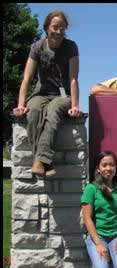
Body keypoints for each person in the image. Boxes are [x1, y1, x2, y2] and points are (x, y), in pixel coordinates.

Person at [13, 10, 81, 177]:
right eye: (55, 27)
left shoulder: (71, 47)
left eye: (62, 28)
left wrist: (74, 105)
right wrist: (21, 105)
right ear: (46, 28)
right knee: (34, 111)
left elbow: (73, 78)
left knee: (53, 110)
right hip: (41, 94)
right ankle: (46, 162)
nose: (58, 32)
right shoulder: (37, 47)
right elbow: (27, 78)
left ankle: (39, 160)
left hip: (62, 96)